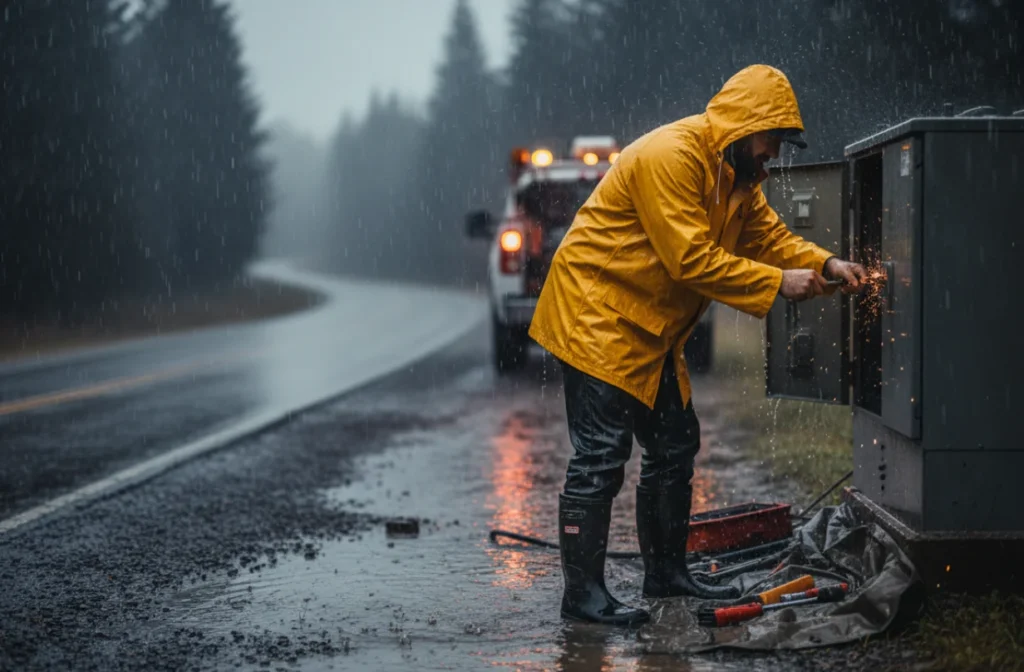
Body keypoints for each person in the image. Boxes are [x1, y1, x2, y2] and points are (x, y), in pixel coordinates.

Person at [528, 64, 867, 627]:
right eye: (772, 140)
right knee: (601, 457)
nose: (774, 155)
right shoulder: (673, 156)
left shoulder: (737, 178)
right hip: (597, 316)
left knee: (674, 444)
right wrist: (776, 283)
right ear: (745, 127)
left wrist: (824, 262)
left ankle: (666, 575)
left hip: (649, 329)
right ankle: (582, 597)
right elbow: (688, 260)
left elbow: (768, 238)